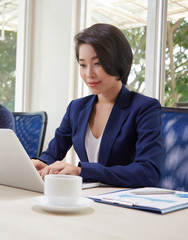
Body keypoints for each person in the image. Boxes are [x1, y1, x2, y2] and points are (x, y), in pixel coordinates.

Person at [32, 23, 163, 187]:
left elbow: (148, 173)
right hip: (89, 197)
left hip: (126, 202)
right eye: (82, 65)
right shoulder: (76, 108)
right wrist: (42, 163)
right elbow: (53, 153)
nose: (89, 74)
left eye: (98, 63)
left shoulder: (144, 108)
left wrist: (82, 171)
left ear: (118, 61)